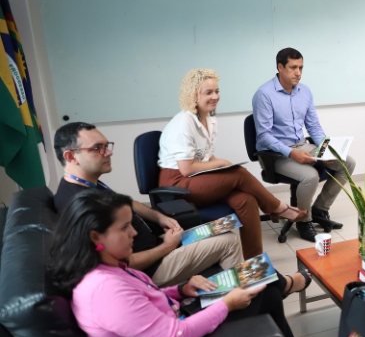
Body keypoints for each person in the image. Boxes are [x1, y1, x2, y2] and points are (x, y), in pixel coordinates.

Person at [48, 189, 311, 337]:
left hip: (173, 319)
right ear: (96, 237)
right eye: (125, 228)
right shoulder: (105, 289)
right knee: (262, 289)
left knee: (262, 285)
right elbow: (176, 336)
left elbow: (143, 302)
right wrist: (226, 304)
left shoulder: (107, 267)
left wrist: (181, 289)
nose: (134, 234)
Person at [53, 122, 243, 288]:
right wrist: (167, 247)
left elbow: (126, 202)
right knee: (229, 241)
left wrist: (159, 217)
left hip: (156, 243)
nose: (109, 152)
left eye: (107, 145)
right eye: (97, 148)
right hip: (150, 269)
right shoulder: (81, 205)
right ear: (71, 156)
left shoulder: (88, 185)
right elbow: (122, 265)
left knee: (222, 228)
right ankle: (237, 300)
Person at [158, 69, 305, 259]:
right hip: (177, 183)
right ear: (194, 95)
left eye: (216, 91)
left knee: (246, 200)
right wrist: (219, 164)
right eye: (208, 92)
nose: (215, 96)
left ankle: (253, 263)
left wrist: (218, 163)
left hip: (196, 178)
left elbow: (204, 156)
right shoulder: (183, 123)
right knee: (239, 173)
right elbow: (186, 168)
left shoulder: (209, 118)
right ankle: (277, 207)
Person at [252, 48, 357, 243]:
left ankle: (320, 208)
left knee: (347, 162)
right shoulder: (264, 94)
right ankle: (303, 219)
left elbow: (314, 127)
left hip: (301, 144)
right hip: (275, 152)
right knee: (310, 176)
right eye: (293, 67)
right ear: (280, 67)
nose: (298, 72)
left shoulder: (305, 91)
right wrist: (292, 153)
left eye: (300, 67)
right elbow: (264, 136)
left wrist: (327, 150)